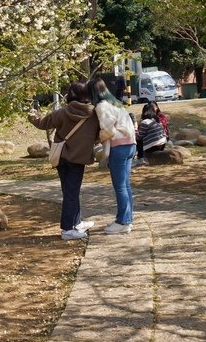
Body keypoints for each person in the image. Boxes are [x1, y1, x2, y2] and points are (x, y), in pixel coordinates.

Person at [28, 81, 101, 240]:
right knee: (72, 193)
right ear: (87, 95)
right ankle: (67, 229)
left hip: (61, 157)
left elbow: (42, 123)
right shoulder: (94, 114)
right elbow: (98, 135)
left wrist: (32, 115)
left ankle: (77, 222)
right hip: (78, 159)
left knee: (69, 192)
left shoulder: (61, 112)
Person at [92, 79, 137, 234]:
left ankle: (123, 222)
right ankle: (127, 219)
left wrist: (99, 137)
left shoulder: (101, 106)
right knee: (126, 185)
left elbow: (108, 130)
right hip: (130, 145)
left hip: (118, 147)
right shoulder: (116, 103)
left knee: (120, 187)